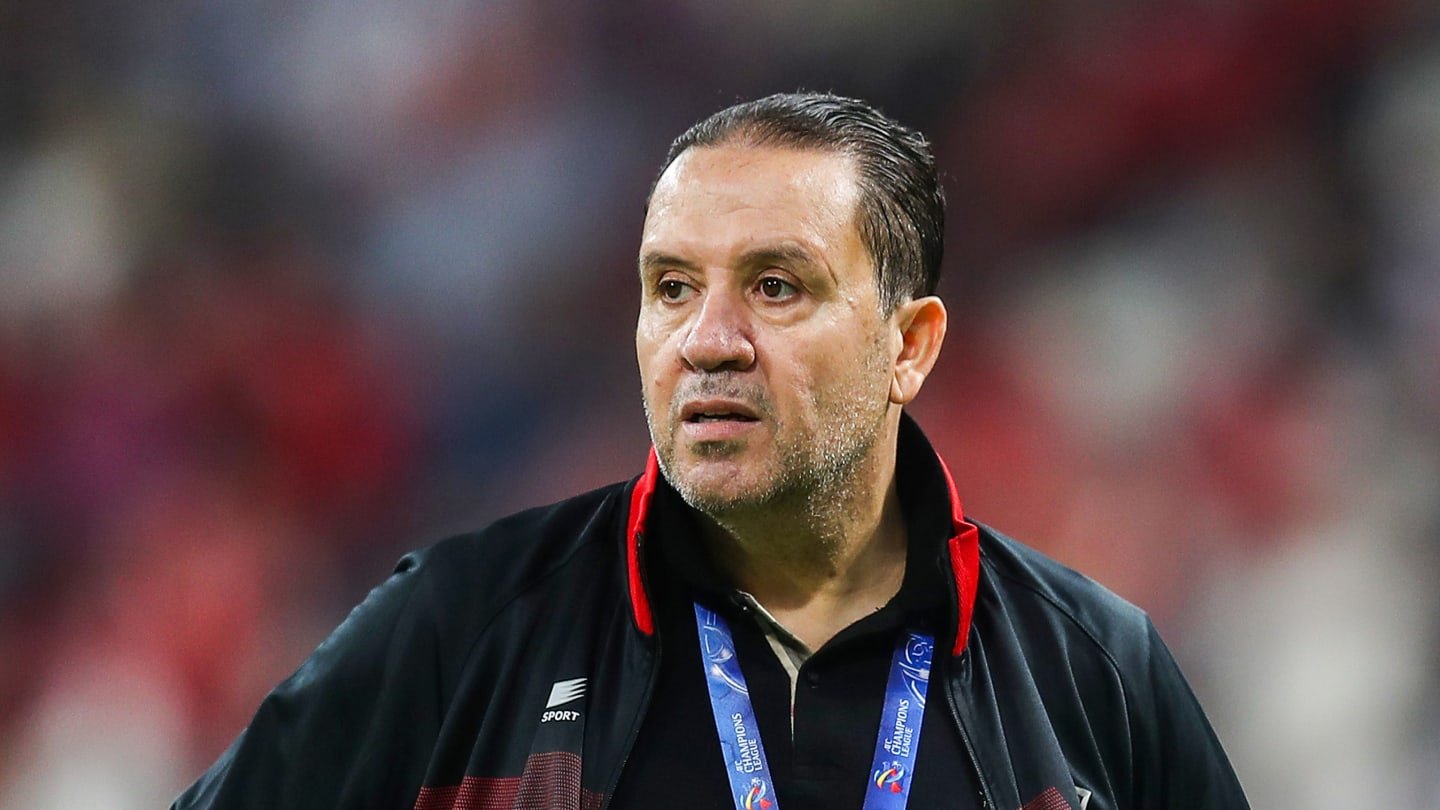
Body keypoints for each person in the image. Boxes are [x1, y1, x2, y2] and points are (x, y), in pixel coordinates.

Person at [173, 92, 1249, 810]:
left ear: (908, 345)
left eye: (776, 287)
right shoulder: (462, 629)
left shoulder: (1094, 671)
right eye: (673, 287)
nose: (708, 340)